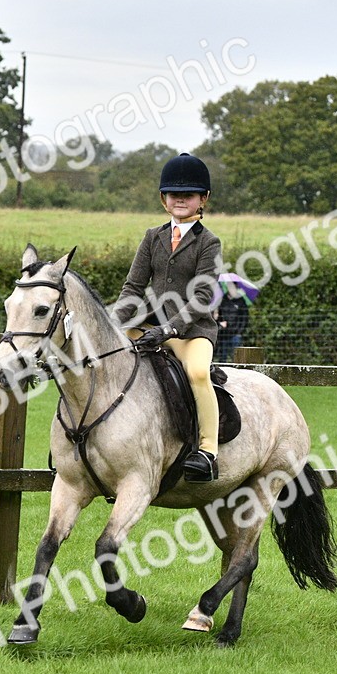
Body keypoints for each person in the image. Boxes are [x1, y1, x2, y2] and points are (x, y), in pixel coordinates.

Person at [113, 152, 223, 483]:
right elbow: (133, 287)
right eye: (174, 194)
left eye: (188, 194)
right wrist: (112, 323)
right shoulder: (152, 237)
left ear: (203, 199)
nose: (180, 200)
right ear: (164, 199)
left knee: (199, 374)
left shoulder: (209, 242)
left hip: (191, 331)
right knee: (107, 361)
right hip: (149, 325)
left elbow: (203, 297)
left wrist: (171, 329)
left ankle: (207, 450)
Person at [215, 281, 250, 363]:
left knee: (236, 358)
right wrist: (219, 322)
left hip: (236, 335)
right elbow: (218, 316)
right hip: (223, 334)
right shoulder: (222, 300)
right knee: (222, 358)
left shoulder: (241, 301)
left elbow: (245, 318)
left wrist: (239, 331)